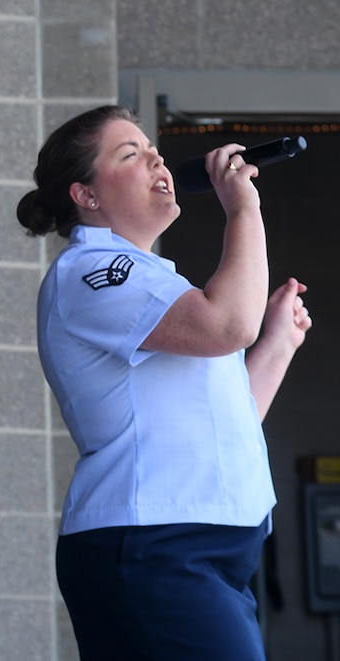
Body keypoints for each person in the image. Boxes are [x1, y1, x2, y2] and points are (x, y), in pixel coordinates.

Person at [22, 105, 311, 660]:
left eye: (152, 148)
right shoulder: (91, 269)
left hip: (197, 542)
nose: (156, 157)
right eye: (130, 154)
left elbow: (222, 417)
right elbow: (229, 324)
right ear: (87, 195)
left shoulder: (155, 279)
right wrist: (242, 207)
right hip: (153, 544)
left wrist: (275, 346)